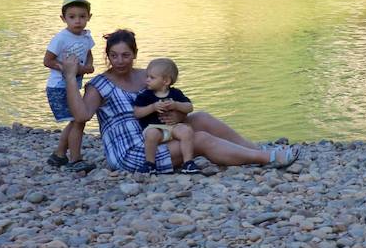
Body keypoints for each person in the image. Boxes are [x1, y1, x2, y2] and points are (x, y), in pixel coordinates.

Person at [59, 30, 297, 174]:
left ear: (135, 54)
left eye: (126, 55)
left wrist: (179, 116)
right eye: (113, 55)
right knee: (200, 139)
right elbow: (81, 116)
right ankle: (268, 159)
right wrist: (71, 77)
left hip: (160, 134)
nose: (120, 60)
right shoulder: (100, 84)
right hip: (131, 153)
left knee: (200, 118)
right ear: (107, 56)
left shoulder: (147, 77)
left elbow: (173, 101)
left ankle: (254, 149)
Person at [43, 0, 96, 172]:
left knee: (76, 121)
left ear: (89, 17)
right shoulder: (61, 38)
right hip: (59, 87)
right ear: (63, 18)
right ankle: (75, 159)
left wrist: (88, 65)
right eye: (72, 17)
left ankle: (59, 155)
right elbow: (47, 60)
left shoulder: (86, 36)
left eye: (82, 16)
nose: (78, 21)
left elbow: (88, 52)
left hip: (73, 86)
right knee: (77, 121)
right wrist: (67, 69)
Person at [132, 58, 198, 173]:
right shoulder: (146, 95)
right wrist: (152, 107)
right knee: (152, 134)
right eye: (147, 76)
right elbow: (137, 113)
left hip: (173, 127)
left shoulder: (175, 93)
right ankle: (150, 164)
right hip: (154, 127)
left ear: (166, 81)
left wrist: (176, 105)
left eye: (152, 78)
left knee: (187, 130)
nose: (147, 80)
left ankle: (188, 162)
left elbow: (189, 107)